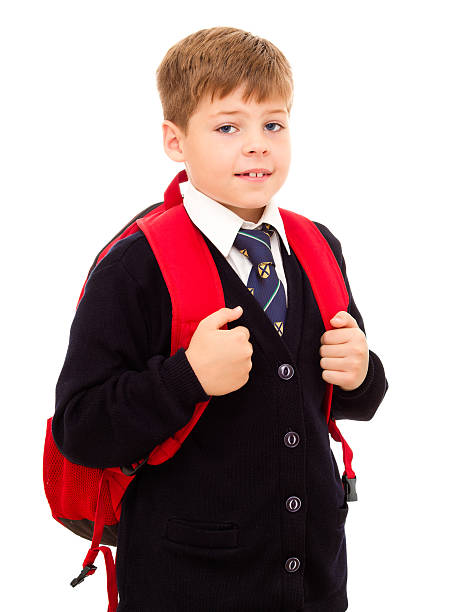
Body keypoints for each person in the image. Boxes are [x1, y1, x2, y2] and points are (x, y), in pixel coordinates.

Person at [52, 26, 388, 612]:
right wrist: (186, 379)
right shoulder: (136, 264)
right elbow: (80, 429)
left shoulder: (316, 247)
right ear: (175, 140)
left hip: (314, 578)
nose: (256, 145)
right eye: (228, 126)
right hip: (186, 584)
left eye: (273, 124)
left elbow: (340, 398)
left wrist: (362, 374)